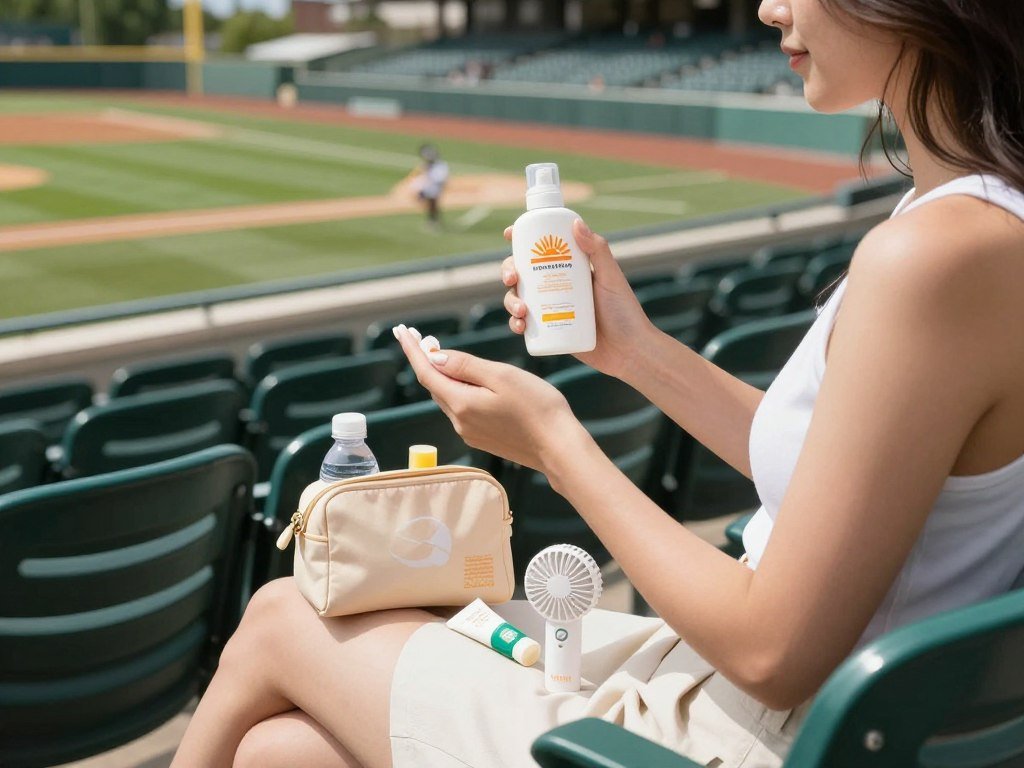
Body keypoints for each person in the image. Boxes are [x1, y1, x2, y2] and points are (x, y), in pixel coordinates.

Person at [171, 1, 1024, 766]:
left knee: (287, 615)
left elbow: (775, 651)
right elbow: (833, 469)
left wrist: (555, 443)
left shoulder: (936, 257)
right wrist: (632, 348)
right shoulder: (970, 218)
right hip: (805, 706)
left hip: (771, 730)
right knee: (283, 751)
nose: (768, 9)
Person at [410, 143, 449, 231]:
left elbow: (440, 179)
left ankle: (434, 221)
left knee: (432, 204)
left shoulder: (439, 166)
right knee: (431, 204)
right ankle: (434, 221)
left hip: (433, 187)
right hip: (431, 186)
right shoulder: (430, 165)